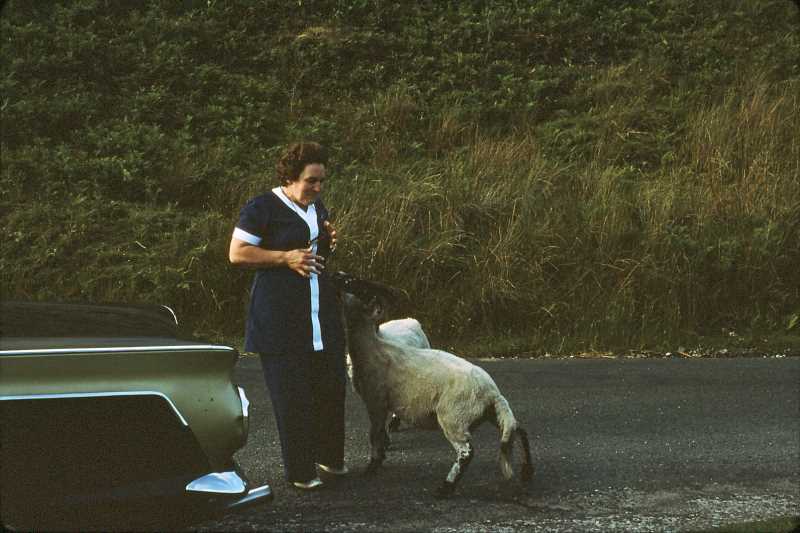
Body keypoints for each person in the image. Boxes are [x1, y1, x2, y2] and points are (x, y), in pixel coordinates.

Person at [228, 142, 347, 490]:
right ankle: (301, 472)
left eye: (322, 181)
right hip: (279, 318)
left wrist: (328, 241)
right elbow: (237, 253)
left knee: (331, 389)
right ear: (290, 177)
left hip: (319, 315)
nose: (318, 188)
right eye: (311, 181)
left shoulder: (316, 206)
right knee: (292, 398)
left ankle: (330, 459)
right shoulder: (262, 207)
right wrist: (285, 258)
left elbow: (313, 249)